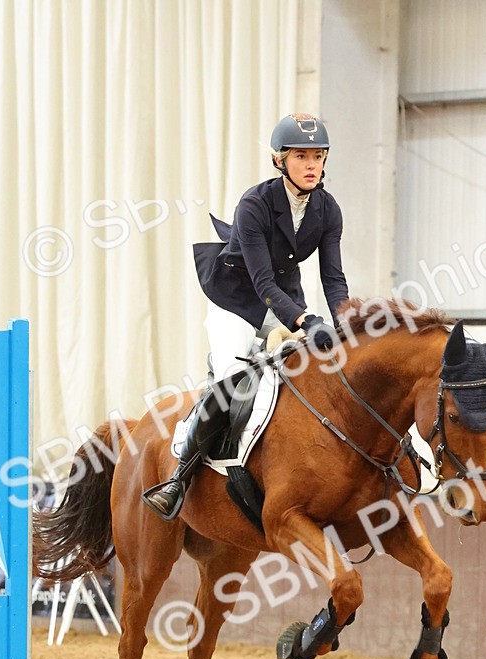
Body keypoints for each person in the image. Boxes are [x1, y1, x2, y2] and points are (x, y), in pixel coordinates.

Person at [143, 113, 351, 519]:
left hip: (285, 300)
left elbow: (333, 277)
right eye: (301, 156)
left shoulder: (328, 210)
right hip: (235, 300)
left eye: (318, 156)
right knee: (229, 379)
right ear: (280, 160)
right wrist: (307, 322)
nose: (312, 165)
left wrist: (345, 324)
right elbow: (260, 283)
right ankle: (179, 477)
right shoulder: (254, 204)